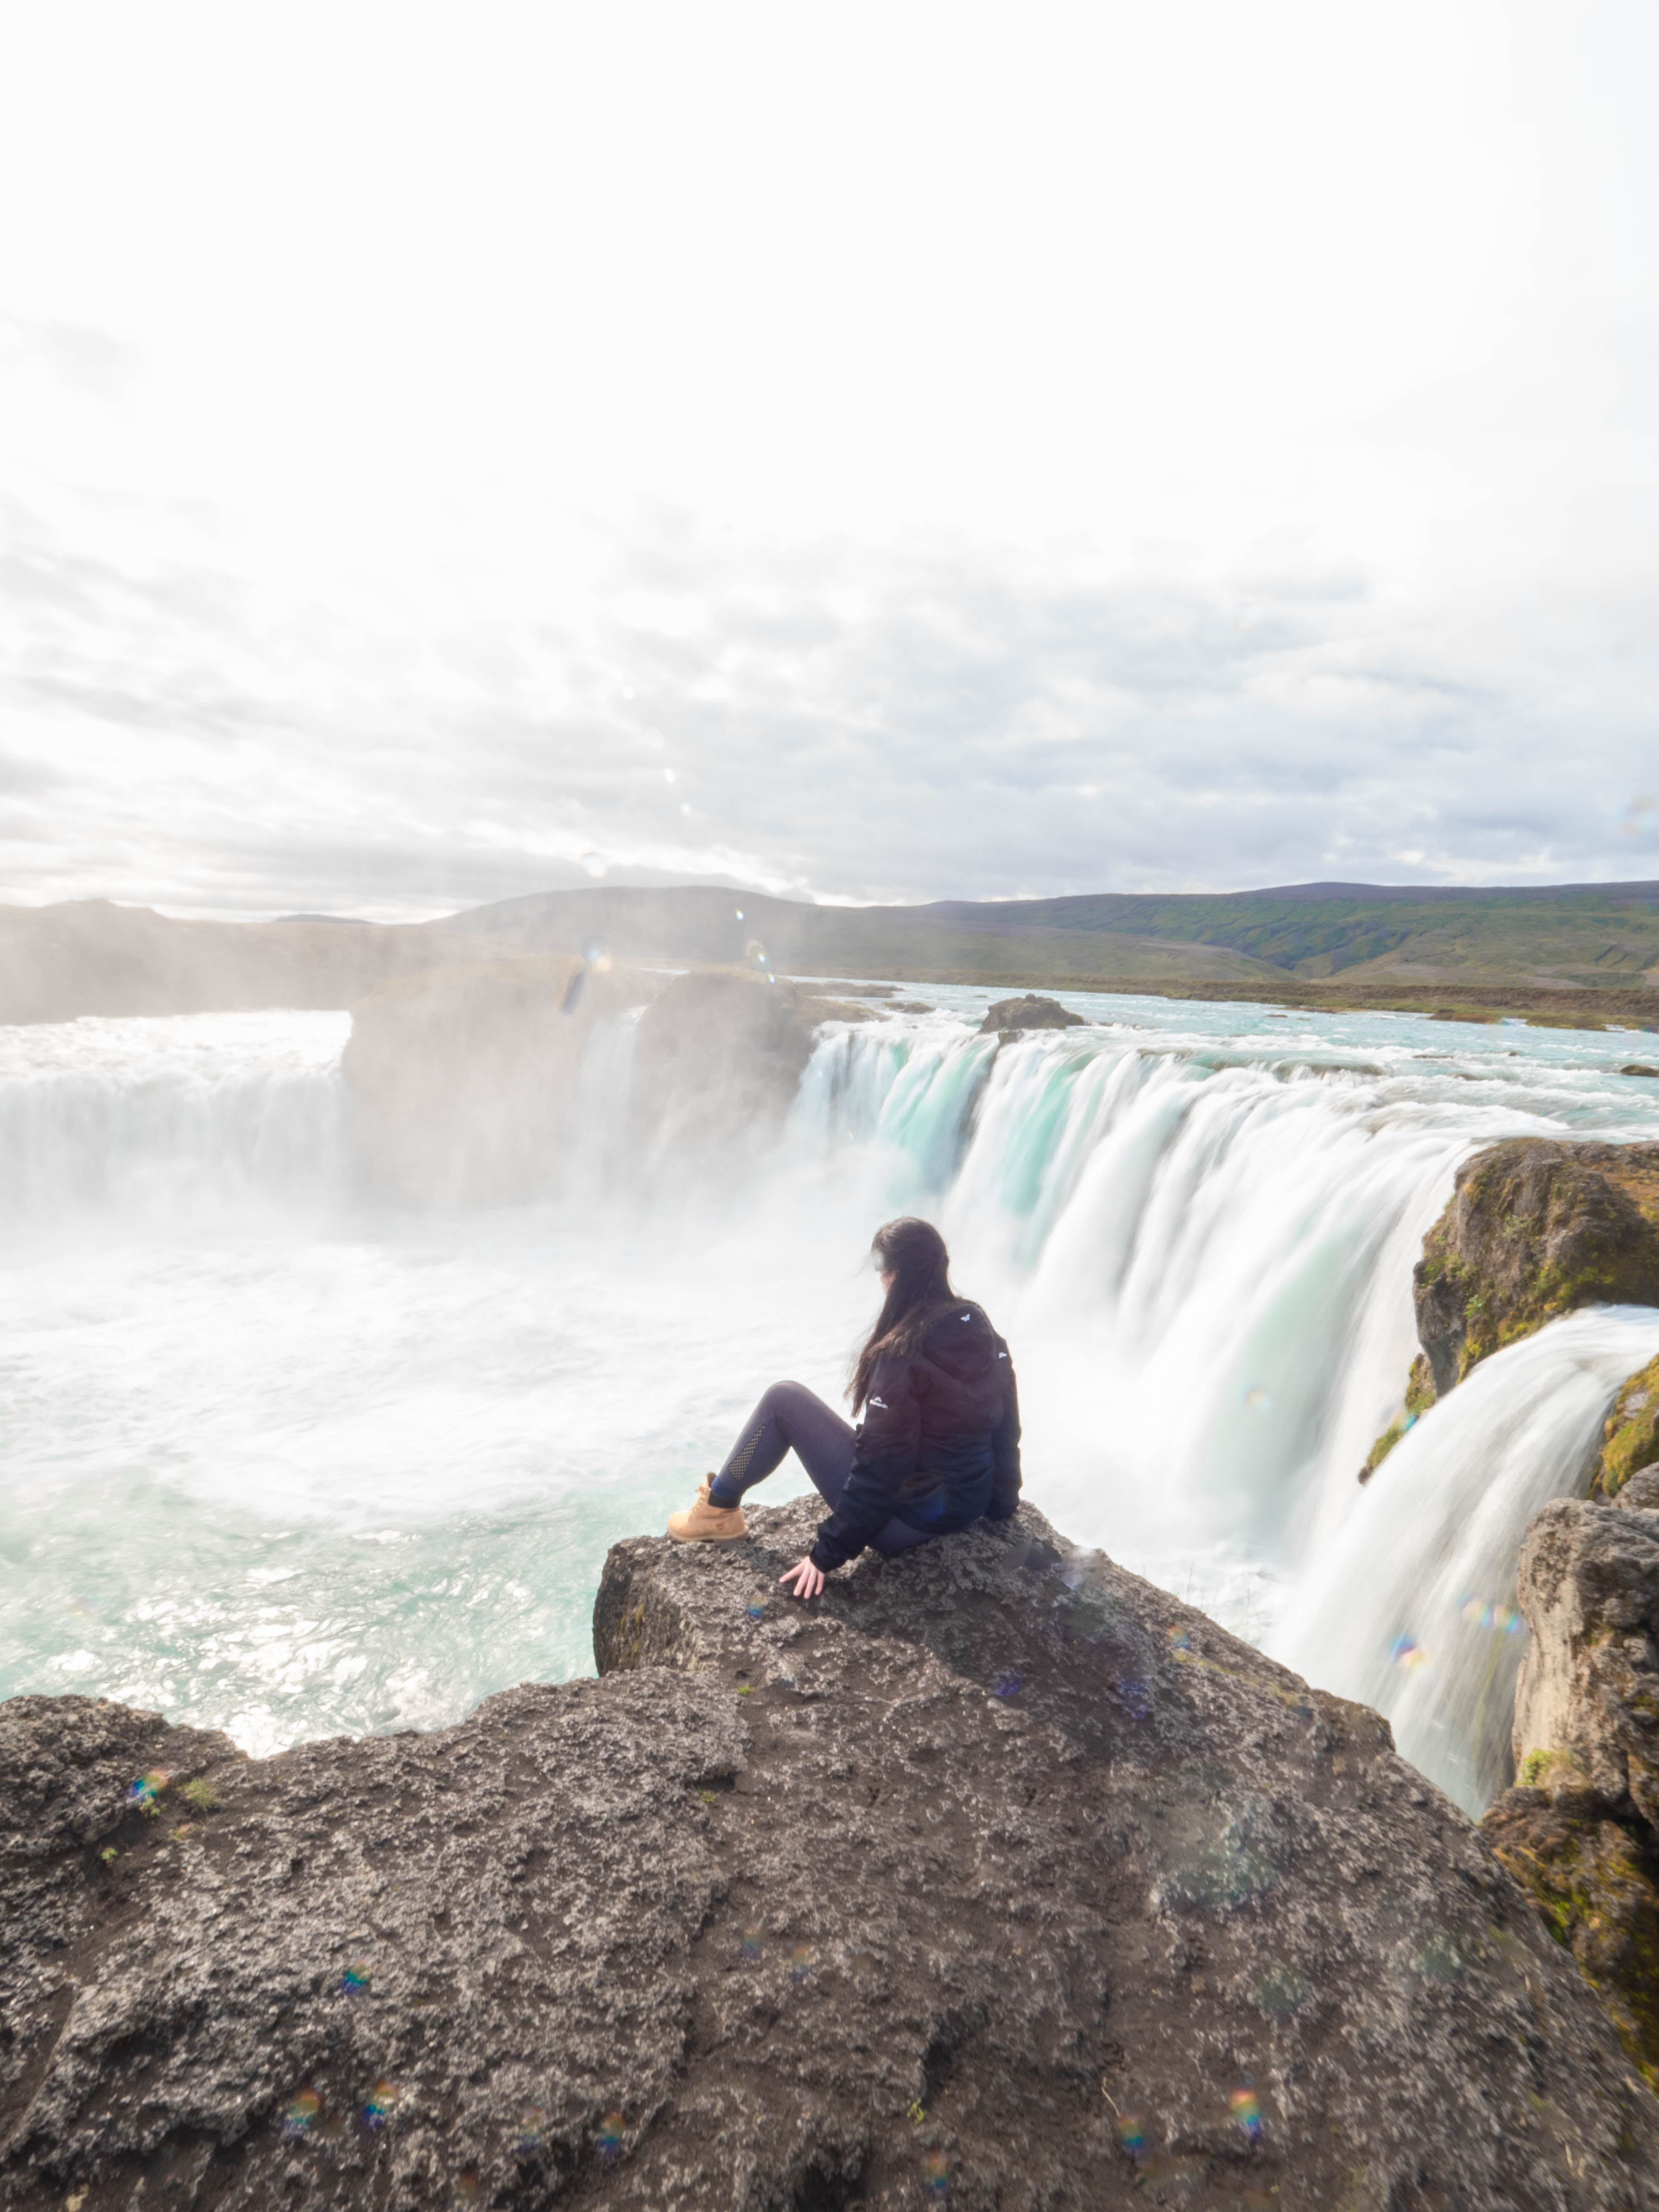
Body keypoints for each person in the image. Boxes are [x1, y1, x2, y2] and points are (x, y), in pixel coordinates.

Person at [665, 1216, 1021, 1599]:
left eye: (880, 1269)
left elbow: (881, 1469)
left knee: (783, 1399)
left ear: (896, 1276)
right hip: (968, 1505)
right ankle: (719, 1504)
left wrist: (825, 1555)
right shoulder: (980, 1324)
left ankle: (718, 1509)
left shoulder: (901, 1354)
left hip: (905, 1526)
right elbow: (1006, 1427)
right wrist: (1002, 1504)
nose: (879, 1279)